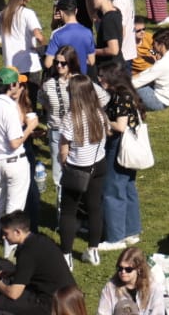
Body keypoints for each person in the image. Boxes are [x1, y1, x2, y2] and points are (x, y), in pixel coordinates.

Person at [0, 67, 39, 257]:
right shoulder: (9, 107)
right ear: (12, 85)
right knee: (14, 210)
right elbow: (15, 141)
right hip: (14, 162)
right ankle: (10, 255)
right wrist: (30, 127)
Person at [57, 75, 108, 267]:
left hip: (77, 168)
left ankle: (66, 255)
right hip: (98, 165)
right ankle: (93, 251)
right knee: (94, 208)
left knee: (69, 212)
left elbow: (64, 148)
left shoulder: (71, 118)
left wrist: (63, 164)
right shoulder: (100, 114)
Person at [0, 211, 76, 315]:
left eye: (6, 233)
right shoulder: (40, 240)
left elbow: (13, 293)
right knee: (9, 272)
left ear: (17, 232)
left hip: (51, 304)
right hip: (69, 298)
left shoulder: (27, 252)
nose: (3, 237)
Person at [95, 60, 142, 250]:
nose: (99, 80)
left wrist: (104, 119)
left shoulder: (120, 97)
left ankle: (115, 237)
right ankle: (131, 230)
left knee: (112, 190)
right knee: (128, 187)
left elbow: (120, 126)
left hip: (118, 146)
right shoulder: (128, 94)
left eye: (101, 77)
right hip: (131, 147)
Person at [97, 248, 163, 315]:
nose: (123, 272)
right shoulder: (110, 287)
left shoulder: (153, 287)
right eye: (120, 268)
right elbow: (102, 312)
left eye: (128, 269)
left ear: (139, 269)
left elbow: (158, 312)